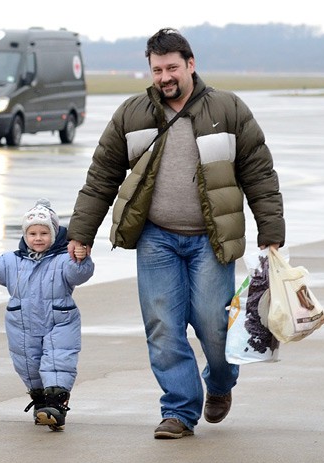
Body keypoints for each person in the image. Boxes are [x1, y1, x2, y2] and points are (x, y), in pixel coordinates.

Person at [66, 28, 285, 440]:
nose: (164, 77)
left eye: (171, 68)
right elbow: (101, 178)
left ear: (190, 64)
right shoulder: (132, 113)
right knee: (163, 327)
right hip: (156, 237)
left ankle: (219, 384)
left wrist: (270, 231)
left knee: (213, 327)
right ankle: (180, 411)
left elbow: (259, 173)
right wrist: (81, 232)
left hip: (211, 238)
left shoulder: (228, 108)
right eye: (156, 70)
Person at [0, 199, 94, 431]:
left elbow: (79, 274)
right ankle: (40, 401)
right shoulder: (12, 261)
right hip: (22, 324)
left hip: (60, 320)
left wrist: (81, 257)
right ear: (25, 235)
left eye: (44, 233)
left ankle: (56, 403)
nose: (38, 238)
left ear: (55, 234)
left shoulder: (63, 260)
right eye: (33, 233)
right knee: (28, 363)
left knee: (58, 360)